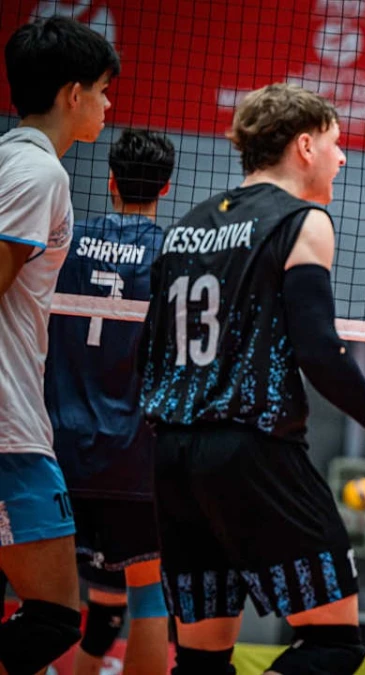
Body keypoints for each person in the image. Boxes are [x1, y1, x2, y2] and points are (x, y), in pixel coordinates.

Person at [138, 82, 365, 675]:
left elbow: (148, 354)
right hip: (255, 452)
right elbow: (319, 352)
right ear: (304, 146)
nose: (343, 156)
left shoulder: (186, 226)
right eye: (335, 141)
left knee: (200, 662)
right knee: (332, 645)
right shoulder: (304, 222)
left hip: (172, 455)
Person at [0, 16, 119, 675]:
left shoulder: (12, 161)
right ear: (73, 93)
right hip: (7, 429)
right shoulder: (36, 174)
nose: (108, 106)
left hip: (15, 420)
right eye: (103, 90)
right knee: (52, 618)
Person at [44, 128, 175, 675]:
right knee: (149, 599)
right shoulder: (171, 254)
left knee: (44, 601)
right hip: (134, 453)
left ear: (111, 180)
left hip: (57, 442)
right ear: (165, 189)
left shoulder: (66, 238)